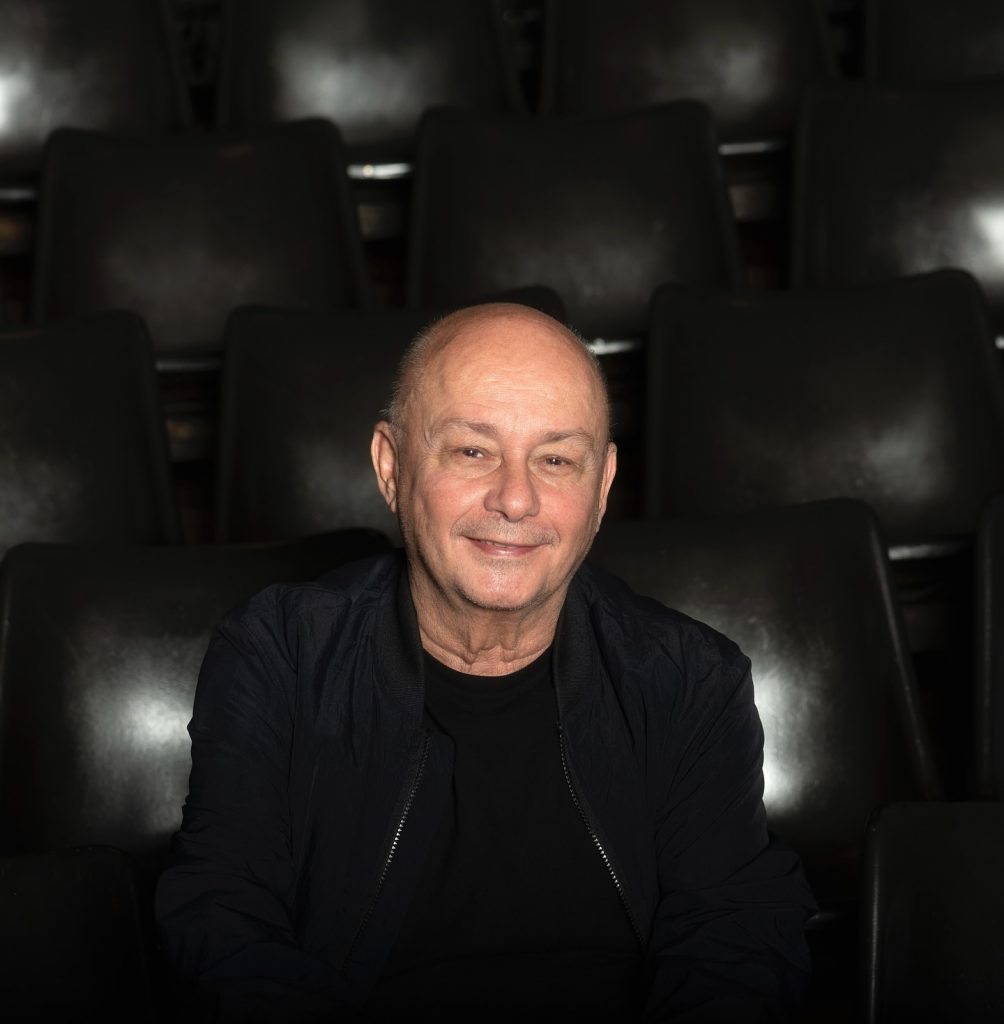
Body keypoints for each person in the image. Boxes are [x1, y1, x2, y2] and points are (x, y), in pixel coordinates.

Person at [156, 302, 816, 1022]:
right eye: (473, 451)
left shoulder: (689, 678)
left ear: (602, 489)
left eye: (556, 460)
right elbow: (225, 921)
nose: (516, 499)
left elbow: (735, 935)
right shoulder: (279, 653)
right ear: (390, 465)